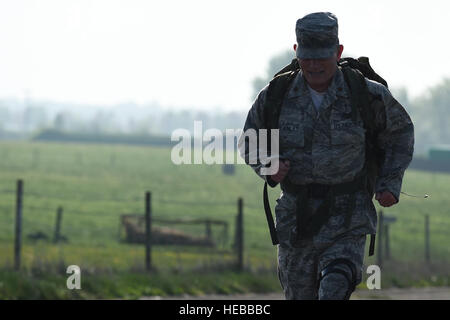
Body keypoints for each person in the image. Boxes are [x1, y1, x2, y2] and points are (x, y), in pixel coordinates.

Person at [238, 12, 414, 300]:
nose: (314, 64)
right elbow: (250, 139)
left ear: (338, 52)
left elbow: (400, 134)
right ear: (296, 52)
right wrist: (266, 165)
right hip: (297, 224)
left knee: (334, 287)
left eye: (322, 57)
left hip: (348, 219)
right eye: (307, 57)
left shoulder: (367, 95)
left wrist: (389, 182)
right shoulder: (276, 95)